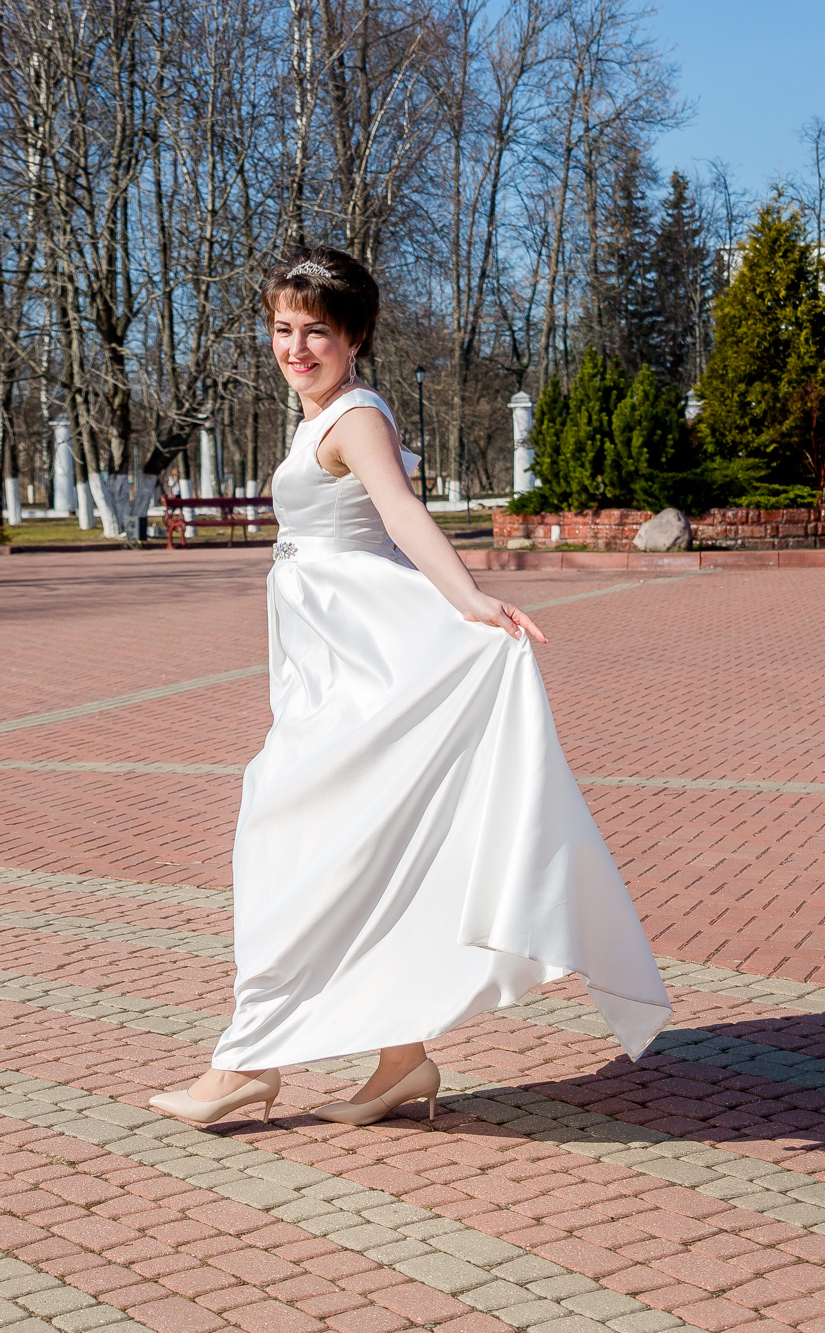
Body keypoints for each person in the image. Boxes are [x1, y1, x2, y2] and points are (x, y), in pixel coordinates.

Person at [149, 246, 671, 1128]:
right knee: (349, 847)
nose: (296, 346)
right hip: (333, 666)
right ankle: (400, 1060)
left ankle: (246, 1061)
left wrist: (467, 599)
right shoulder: (317, 415)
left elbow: (399, 514)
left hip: (374, 665)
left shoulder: (354, 417)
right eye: (283, 328)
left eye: (317, 330)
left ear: (354, 338)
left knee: (284, 838)